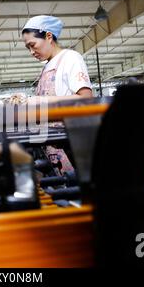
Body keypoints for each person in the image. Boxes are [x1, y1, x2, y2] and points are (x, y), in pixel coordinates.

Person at [22, 15, 93, 175]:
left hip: (70, 144)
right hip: (51, 145)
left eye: (33, 45)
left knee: (77, 190)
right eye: (28, 48)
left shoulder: (70, 58)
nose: (32, 52)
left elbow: (86, 98)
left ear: (48, 36)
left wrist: (40, 101)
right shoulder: (47, 67)